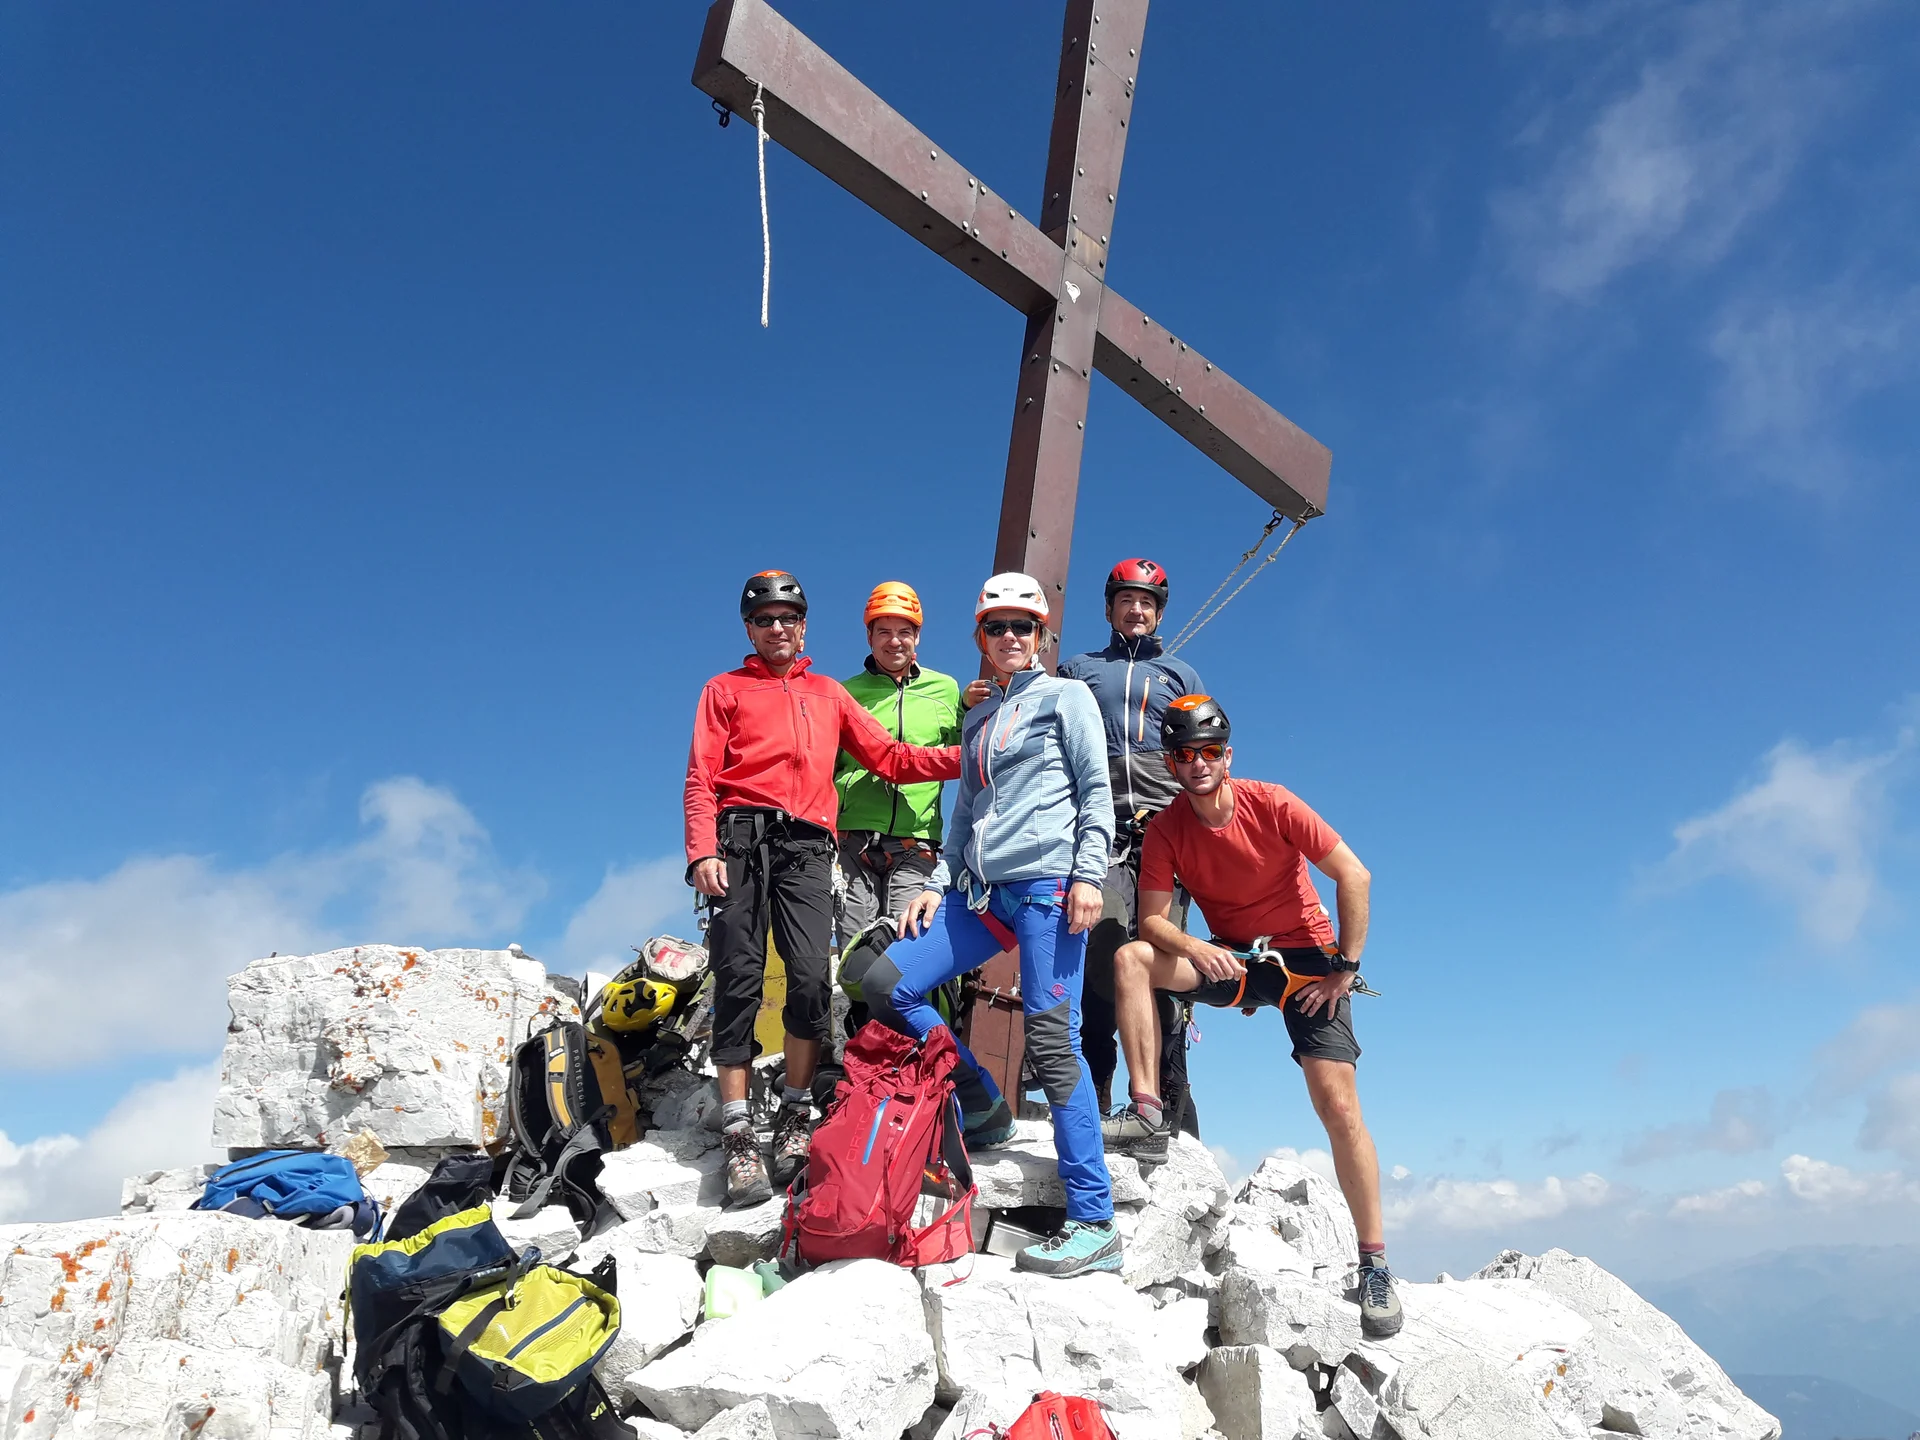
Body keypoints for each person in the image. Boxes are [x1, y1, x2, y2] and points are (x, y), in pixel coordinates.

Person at [1101, 694, 1402, 1337]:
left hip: (1308, 964)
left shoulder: (1272, 802)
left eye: (1209, 751)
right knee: (1131, 958)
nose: (1198, 762)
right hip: (1234, 960)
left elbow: (1355, 875)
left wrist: (1343, 969)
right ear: (1172, 764)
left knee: (1339, 1107)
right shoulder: (1167, 829)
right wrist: (1197, 948)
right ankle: (1149, 1107)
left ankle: (1374, 1263)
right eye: (1185, 754)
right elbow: (1151, 919)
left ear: (1227, 755)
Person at [862, 572, 1121, 1277]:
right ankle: (981, 1101)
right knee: (889, 985)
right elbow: (965, 811)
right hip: (980, 894)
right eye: (996, 626)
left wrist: (1089, 875)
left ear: (1042, 637)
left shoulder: (1067, 697)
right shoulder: (977, 718)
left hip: (1048, 889)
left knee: (1052, 1041)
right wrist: (942, 883)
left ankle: (1094, 1221)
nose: (1010, 637)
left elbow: (1095, 791)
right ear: (980, 635)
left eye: (1023, 627)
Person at [684, 570, 961, 1209]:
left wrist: (969, 754)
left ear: (804, 625)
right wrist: (701, 850)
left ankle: (792, 1111)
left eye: (788, 617)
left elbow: (892, 758)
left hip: (810, 846)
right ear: (749, 628)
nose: (777, 628)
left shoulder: (829, 694)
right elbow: (701, 775)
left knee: (812, 976)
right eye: (764, 619)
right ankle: (737, 1136)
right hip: (739, 842)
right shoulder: (723, 689)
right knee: (739, 976)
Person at [1056, 558, 1206, 1133]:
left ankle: (1171, 1109)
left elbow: (1204, 757)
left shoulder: (1181, 675)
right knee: (1098, 969)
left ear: (1159, 611)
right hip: (1099, 836)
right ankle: (1094, 1106)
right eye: (1127, 600)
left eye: (1147, 602)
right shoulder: (1079, 668)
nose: (1136, 610)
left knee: (1162, 968)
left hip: (1167, 839)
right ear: (1110, 607)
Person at [832, 582, 964, 944]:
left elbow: (966, 756)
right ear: (869, 636)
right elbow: (827, 768)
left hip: (916, 841)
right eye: (884, 631)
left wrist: (968, 710)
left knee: (908, 948)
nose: (894, 641)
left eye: (905, 631)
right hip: (852, 840)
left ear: (917, 637)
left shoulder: (946, 690)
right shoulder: (844, 693)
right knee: (854, 950)